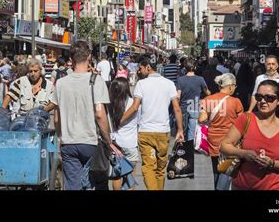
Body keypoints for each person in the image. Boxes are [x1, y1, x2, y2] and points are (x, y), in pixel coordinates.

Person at [50, 41, 121, 190]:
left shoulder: (61, 83)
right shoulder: (96, 81)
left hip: (69, 142)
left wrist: (61, 136)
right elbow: (100, 114)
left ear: (71, 58)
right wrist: (108, 141)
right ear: (89, 57)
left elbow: (56, 118)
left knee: (72, 184)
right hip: (91, 142)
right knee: (98, 182)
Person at [121, 55, 184, 190]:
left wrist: (119, 120)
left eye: (141, 68)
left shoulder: (141, 84)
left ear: (148, 67)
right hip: (163, 132)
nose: (139, 71)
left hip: (146, 132)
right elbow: (177, 108)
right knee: (161, 168)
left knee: (148, 167)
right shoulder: (169, 84)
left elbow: (134, 107)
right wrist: (180, 130)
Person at [220, 80, 279, 190]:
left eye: (269, 98)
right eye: (259, 97)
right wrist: (243, 153)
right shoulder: (245, 119)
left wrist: (272, 163)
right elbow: (224, 145)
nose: (263, 101)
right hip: (243, 186)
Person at [198, 73, 243, 190]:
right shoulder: (236, 102)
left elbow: (201, 119)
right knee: (227, 171)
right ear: (230, 86)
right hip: (230, 140)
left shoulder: (208, 100)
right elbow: (242, 123)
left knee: (216, 170)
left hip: (213, 140)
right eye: (234, 86)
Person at [108, 77, 138, 190]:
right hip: (130, 143)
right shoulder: (132, 103)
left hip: (115, 145)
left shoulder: (109, 104)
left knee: (116, 176)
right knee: (130, 178)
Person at [177, 58, 211, 141]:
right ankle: (190, 148)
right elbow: (208, 93)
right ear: (195, 67)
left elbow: (178, 96)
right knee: (192, 130)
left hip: (183, 107)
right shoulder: (200, 79)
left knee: (183, 130)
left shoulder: (180, 80)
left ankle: (183, 148)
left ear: (185, 68)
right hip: (195, 107)